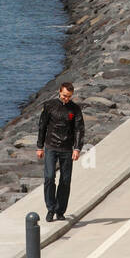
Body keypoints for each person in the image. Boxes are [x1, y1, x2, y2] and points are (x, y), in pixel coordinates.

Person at [35, 81, 84, 222]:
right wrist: (40, 146)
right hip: (51, 146)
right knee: (49, 177)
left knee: (65, 180)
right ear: (59, 92)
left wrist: (77, 148)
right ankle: (50, 208)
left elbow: (79, 129)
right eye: (64, 95)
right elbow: (42, 126)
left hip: (67, 148)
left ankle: (60, 210)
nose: (66, 98)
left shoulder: (75, 109)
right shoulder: (49, 106)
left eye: (68, 96)